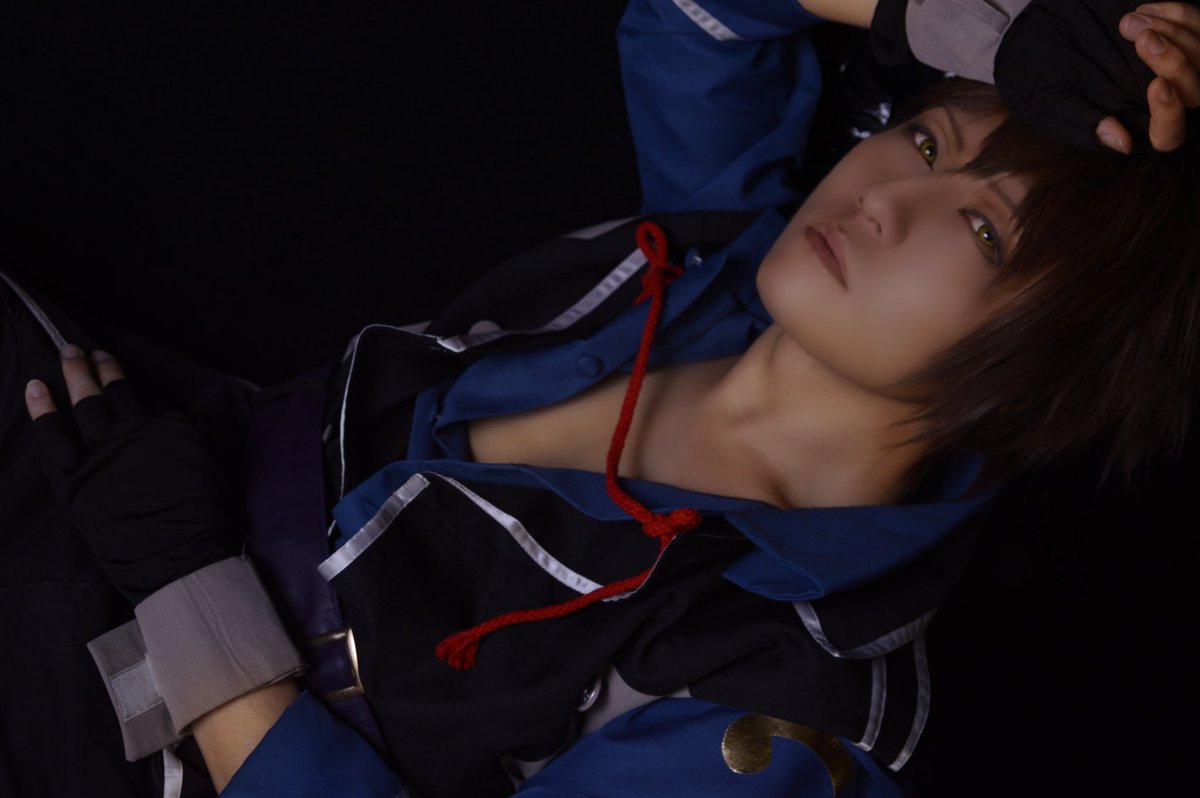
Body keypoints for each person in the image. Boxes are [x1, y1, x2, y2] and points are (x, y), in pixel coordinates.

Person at [3, 1, 1198, 797]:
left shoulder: (797, 698)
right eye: (929, 143)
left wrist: (187, 587)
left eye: (982, 231)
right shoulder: (720, 246)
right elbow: (709, 10)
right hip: (94, 428)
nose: (884, 197)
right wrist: (988, 16)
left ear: (1063, 366)